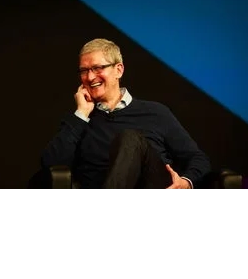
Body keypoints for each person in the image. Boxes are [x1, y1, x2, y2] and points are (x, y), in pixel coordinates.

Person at [40, 38, 211, 188]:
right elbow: (50, 165)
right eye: (84, 70)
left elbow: (198, 159)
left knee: (130, 139)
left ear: (119, 70)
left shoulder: (156, 113)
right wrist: (82, 114)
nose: (90, 77)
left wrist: (186, 183)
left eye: (98, 68)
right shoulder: (79, 121)